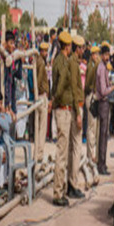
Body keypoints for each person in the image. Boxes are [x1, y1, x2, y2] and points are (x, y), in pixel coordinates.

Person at [50, 31, 74, 207]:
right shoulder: (62, 62)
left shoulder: (59, 60)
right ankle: (58, 192)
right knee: (61, 153)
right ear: (67, 46)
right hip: (62, 110)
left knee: (63, 151)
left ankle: (61, 188)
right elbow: (59, 88)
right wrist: (55, 101)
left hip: (63, 109)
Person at [67, 34, 86, 199]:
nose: (83, 51)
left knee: (73, 148)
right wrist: (78, 114)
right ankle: (72, 183)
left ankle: (70, 182)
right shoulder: (73, 63)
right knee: (76, 147)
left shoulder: (74, 62)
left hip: (76, 108)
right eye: (82, 48)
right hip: (76, 109)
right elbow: (74, 89)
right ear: (77, 48)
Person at [95, 44, 113, 176]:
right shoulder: (101, 68)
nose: (107, 57)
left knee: (104, 134)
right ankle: (101, 164)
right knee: (103, 135)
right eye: (106, 55)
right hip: (103, 102)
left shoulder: (105, 67)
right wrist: (112, 88)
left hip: (105, 103)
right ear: (102, 55)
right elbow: (103, 90)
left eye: (108, 55)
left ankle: (103, 163)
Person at [33, 39, 50, 168]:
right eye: (45, 51)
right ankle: (39, 153)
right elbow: (38, 80)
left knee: (39, 126)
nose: (46, 53)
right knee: (42, 127)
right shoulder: (41, 63)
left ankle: (37, 152)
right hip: (41, 95)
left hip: (38, 95)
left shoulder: (37, 61)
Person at [84, 44, 100, 168]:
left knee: (95, 128)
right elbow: (89, 83)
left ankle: (93, 154)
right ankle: (90, 155)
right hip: (91, 96)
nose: (97, 56)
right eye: (96, 54)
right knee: (91, 127)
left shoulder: (96, 66)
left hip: (95, 96)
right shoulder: (91, 67)